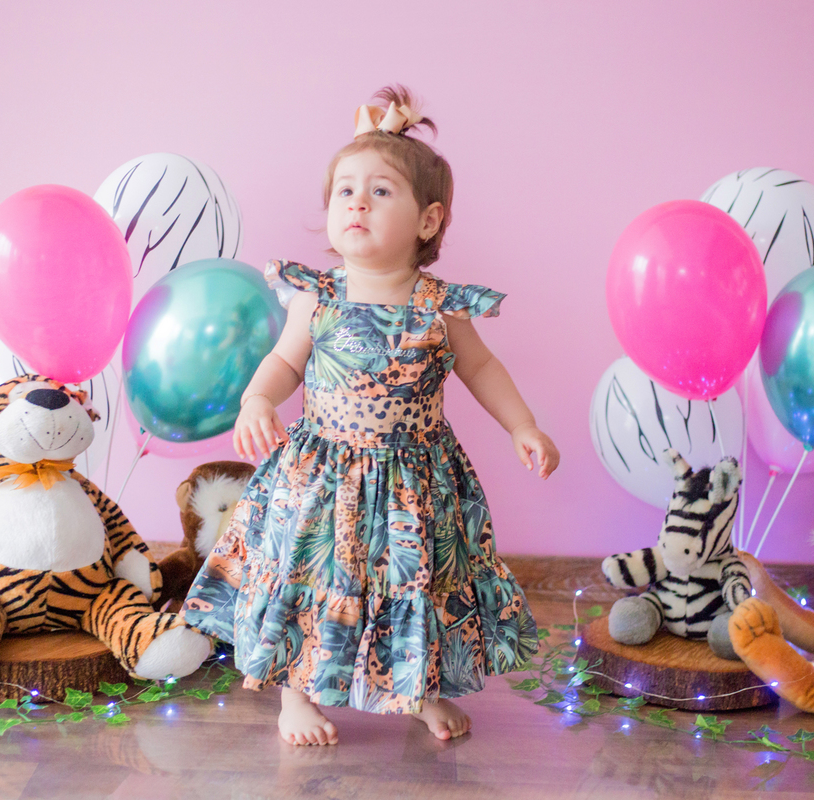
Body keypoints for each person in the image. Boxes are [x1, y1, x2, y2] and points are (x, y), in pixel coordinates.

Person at [184, 85, 559, 745]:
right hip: (323, 473)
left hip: (416, 481)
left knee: (418, 583)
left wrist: (523, 425)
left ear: (428, 220)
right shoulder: (316, 295)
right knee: (313, 578)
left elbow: (481, 369)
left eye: (381, 191)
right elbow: (283, 363)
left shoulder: (441, 305)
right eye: (344, 191)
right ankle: (296, 696)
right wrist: (257, 398)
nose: (357, 201)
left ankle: (414, 689)